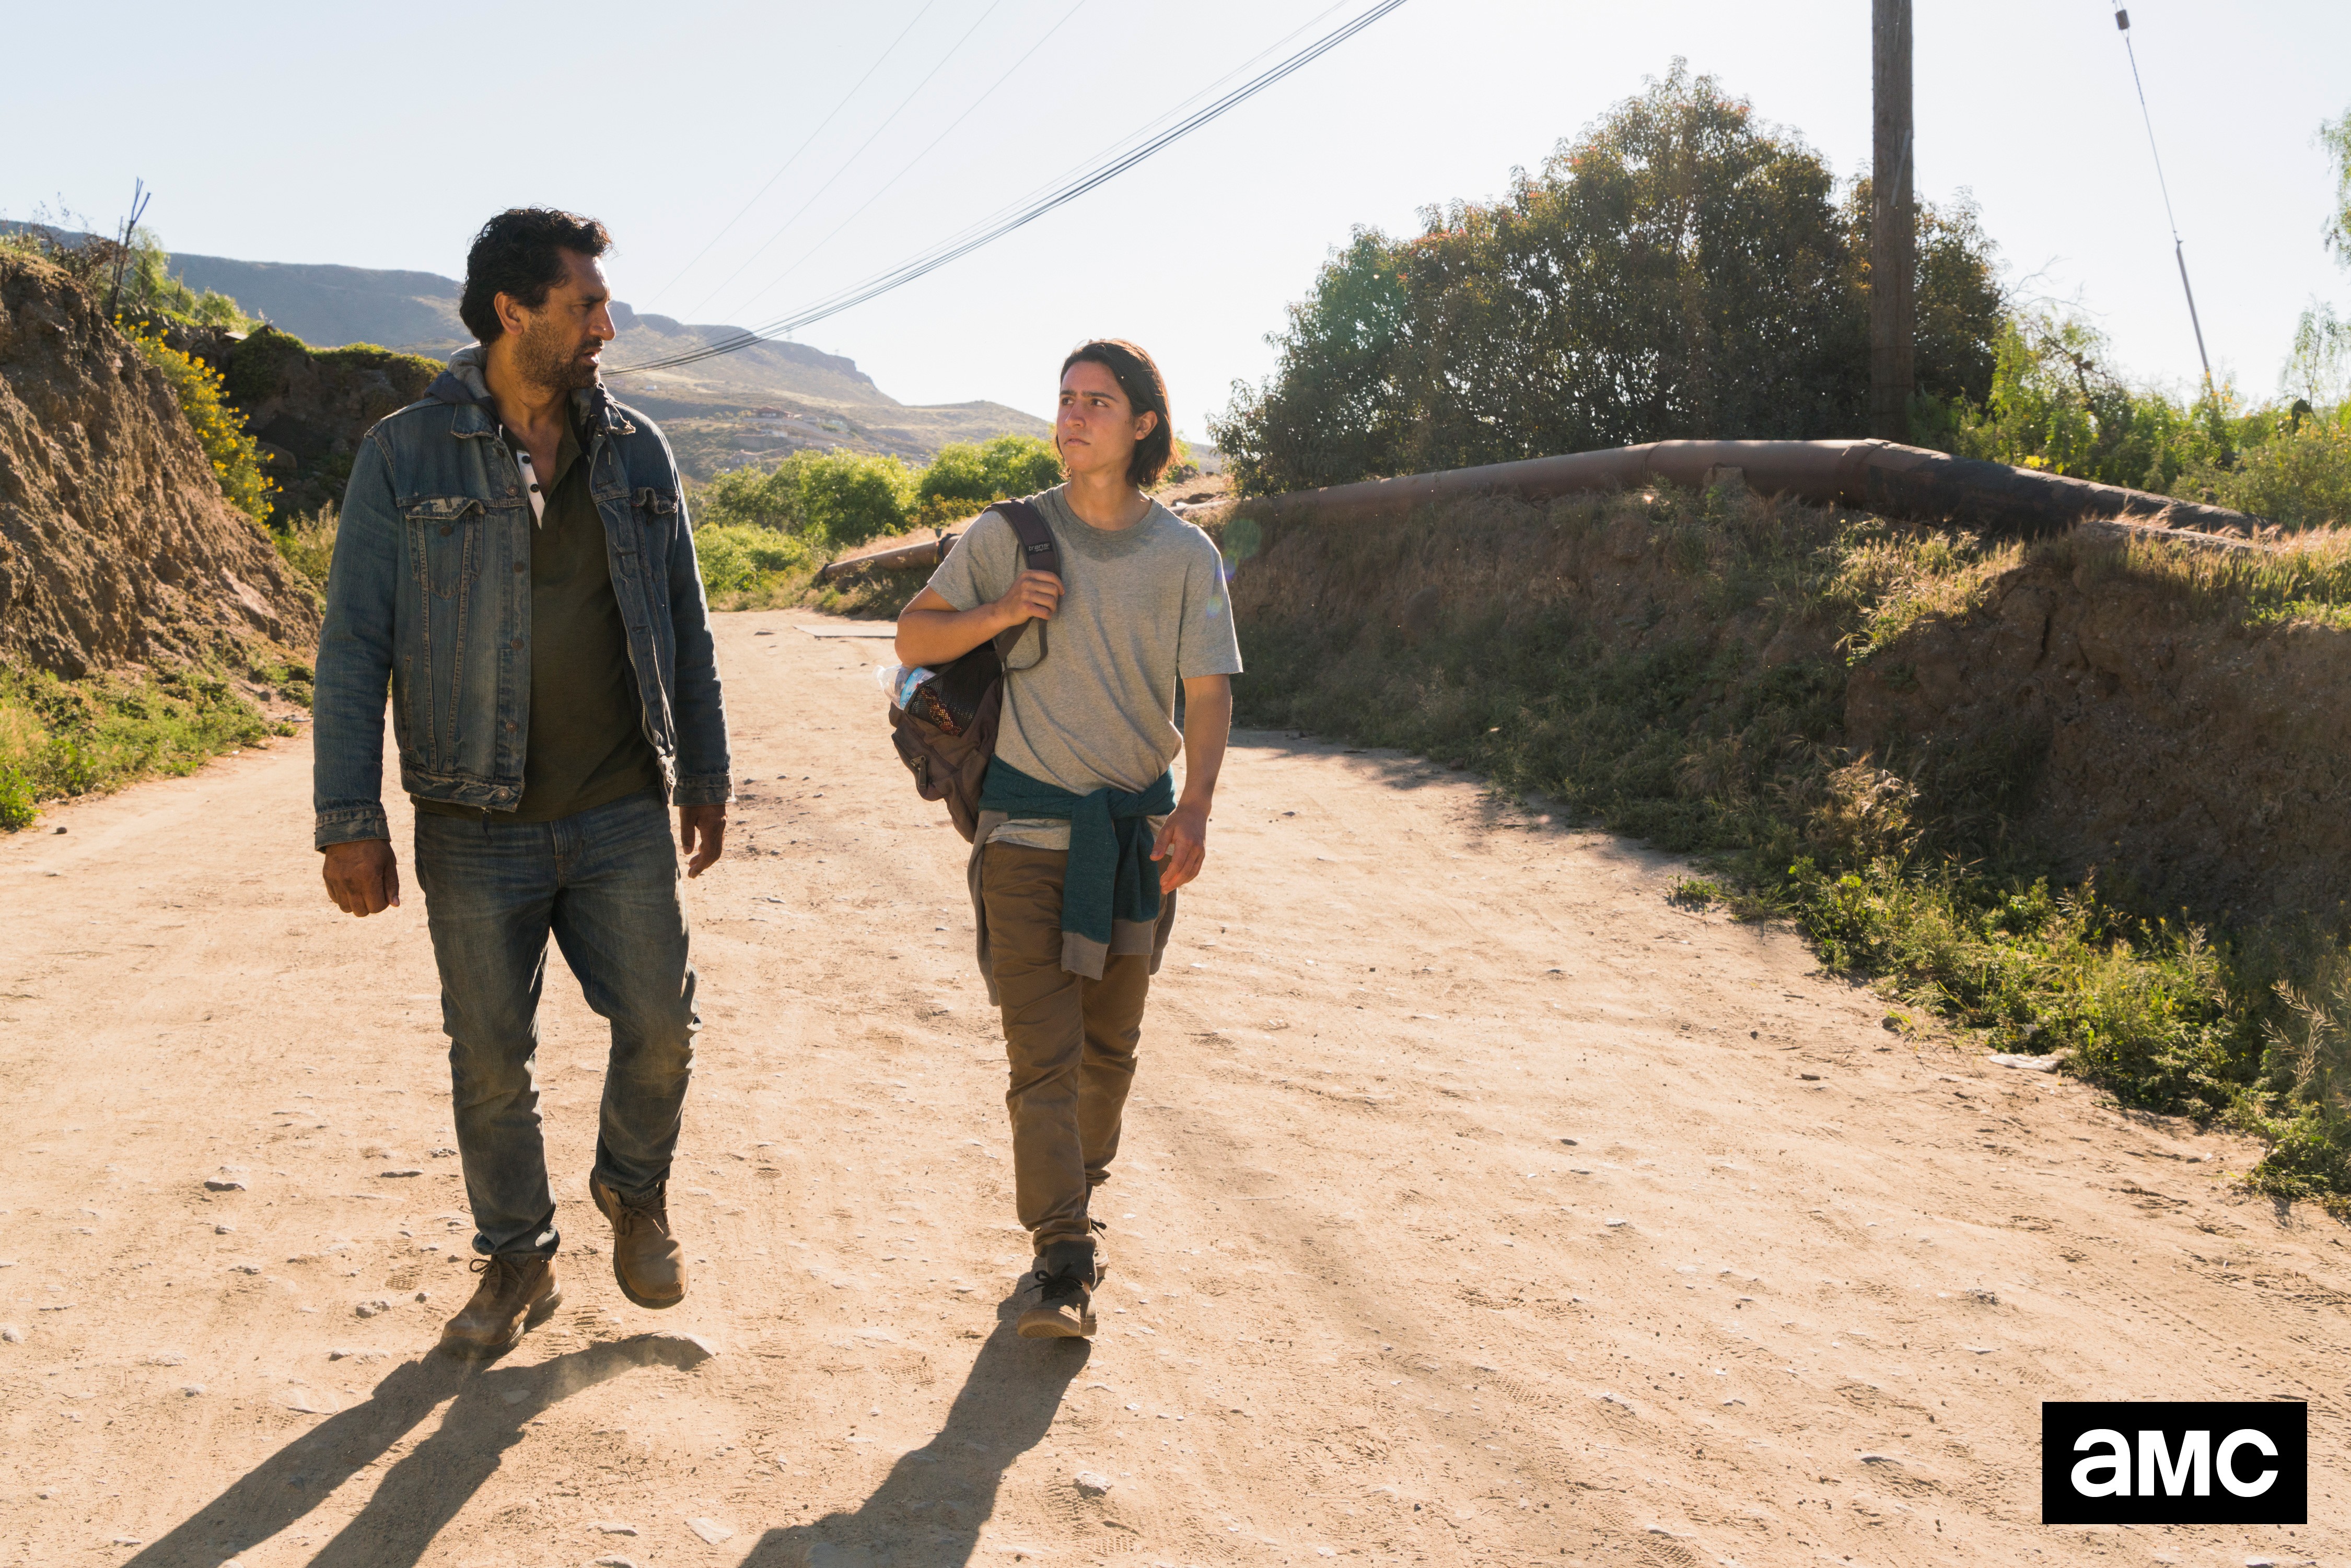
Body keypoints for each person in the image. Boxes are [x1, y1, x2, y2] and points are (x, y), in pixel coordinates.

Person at [311, 208, 731, 1359]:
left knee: (660, 1024)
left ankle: (632, 1190)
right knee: (492, 1058)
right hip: (471, 817)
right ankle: (517, 1257)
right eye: (585, 304)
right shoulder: (404, 454)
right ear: (513, 310)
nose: (607, 326)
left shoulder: (639, 450)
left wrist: (704, 771)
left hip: (618, 806)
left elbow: (686, 625)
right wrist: (349, 818)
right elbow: (353, 645)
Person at [895, 340, 1241, 1338]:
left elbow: (1208, 691)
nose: (1074, 416)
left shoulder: (1186, 555)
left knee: (1109, 1049)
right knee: (1041, 1054)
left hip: (1136, 836)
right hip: (1022, 831)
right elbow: (915, 637)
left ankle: (1078, 1196)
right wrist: (1001, 610)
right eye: (1065, 399)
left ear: (1144, 425)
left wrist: (1196, 806)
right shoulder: (1010, 535)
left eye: (1098, 402)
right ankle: (1061, 1253)